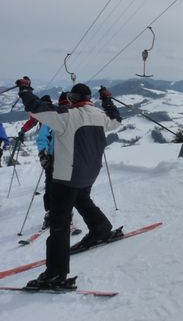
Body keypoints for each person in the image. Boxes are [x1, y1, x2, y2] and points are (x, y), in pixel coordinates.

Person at [15, 77, 122, 289]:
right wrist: (107, 99)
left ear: (72, 98)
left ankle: (55, 274)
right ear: (90, 99)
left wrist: (25, 89)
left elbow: (35, 107)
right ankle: (100, 228)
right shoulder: (100, 116)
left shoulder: (66, 116)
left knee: (59, 223)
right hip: (89, 175)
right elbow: (116, 119)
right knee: (82, 199)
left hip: (66, 178)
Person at [37, 93, 71, 230]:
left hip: (66, 158)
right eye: (65, 105)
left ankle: (65, 211)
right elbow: (42, 138)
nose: (67, 107)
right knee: (52, 186)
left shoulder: (74, 118)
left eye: (68, 105)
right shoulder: (51, 118)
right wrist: (43, 154)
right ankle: (51, 212)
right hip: (53, 158)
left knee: (65, 187)